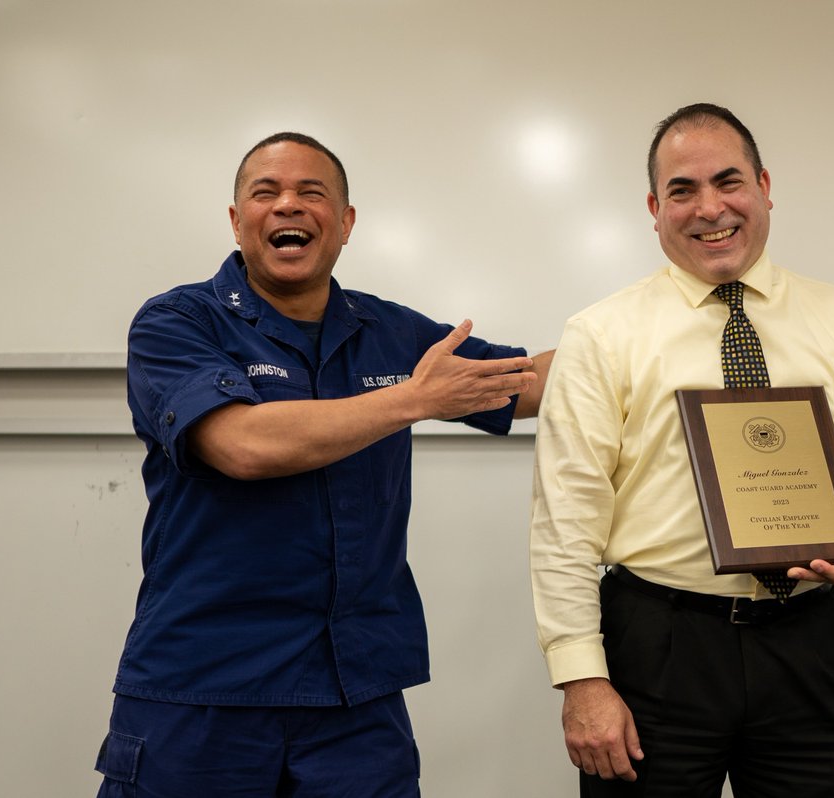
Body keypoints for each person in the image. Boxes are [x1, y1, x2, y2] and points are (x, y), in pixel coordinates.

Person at [94, 132, 552, 798]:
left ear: (345, 224)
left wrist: (644, 334)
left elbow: (527, 382)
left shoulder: (389, 332)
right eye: (266, 192)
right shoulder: (176, 322)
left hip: (354, 700)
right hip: (203, 689)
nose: (289, 206)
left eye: (312, 193)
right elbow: (243, 445)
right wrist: (413, 399)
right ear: (235, 219)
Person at [529, 103, 834, 797]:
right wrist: (582, 679)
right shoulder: (601, 334)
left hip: (807, 640)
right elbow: (564, 522)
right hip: (658, 646)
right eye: (682, 191)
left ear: (764, 186)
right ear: (655, 209)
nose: (710, 208)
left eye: (728, 182)